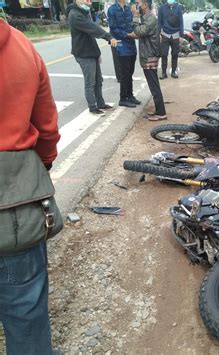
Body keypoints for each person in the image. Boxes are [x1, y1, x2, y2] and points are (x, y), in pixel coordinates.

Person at [0, 19, 61, 354]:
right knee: (25, 312)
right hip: (14, 211)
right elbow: (47, 126)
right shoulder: (21, 46)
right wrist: (44, 164)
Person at [68, 0, 119, 116]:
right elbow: (92, 28)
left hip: (91, 52)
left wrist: (97, 53)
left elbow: (90, 35)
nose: (89, 1)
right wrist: (108, 37)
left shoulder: (83, 12)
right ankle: (93, 107)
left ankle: (101, 104)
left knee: (98, 80)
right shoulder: (75, 15)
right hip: (83, 53)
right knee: (90, 82)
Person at [131, 0, 167, 121]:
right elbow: (142, 33)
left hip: (150, 55)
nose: (136, 6)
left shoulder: (150, 18)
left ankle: (161, 113)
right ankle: (159, 110)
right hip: (150, 54)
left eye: (138, 4)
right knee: (153, 85)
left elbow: (141, 31)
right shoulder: (147, 17)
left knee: (154, 85)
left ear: (145, 5)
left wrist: (135, 16)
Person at [108, 0, 140, 108]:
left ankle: (130, 95)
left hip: (131, 44)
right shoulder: (112, 9)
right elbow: (113, 29)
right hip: (121, 44)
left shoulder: (128, 9)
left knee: (130, 72)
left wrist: (135, 32)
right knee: (124, 73)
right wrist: (127, 34)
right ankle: (123, 98)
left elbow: (133, 24)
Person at [158, 0, 183, 79]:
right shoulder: (161, 8)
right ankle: (164, 73)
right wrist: (159, 33)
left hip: (175, 34)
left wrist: (181, 35)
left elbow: (181, 22)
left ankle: (173, 72)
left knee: (175, 54)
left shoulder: (178, 8)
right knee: (164, 54)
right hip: (165, 34)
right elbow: (159, 22)